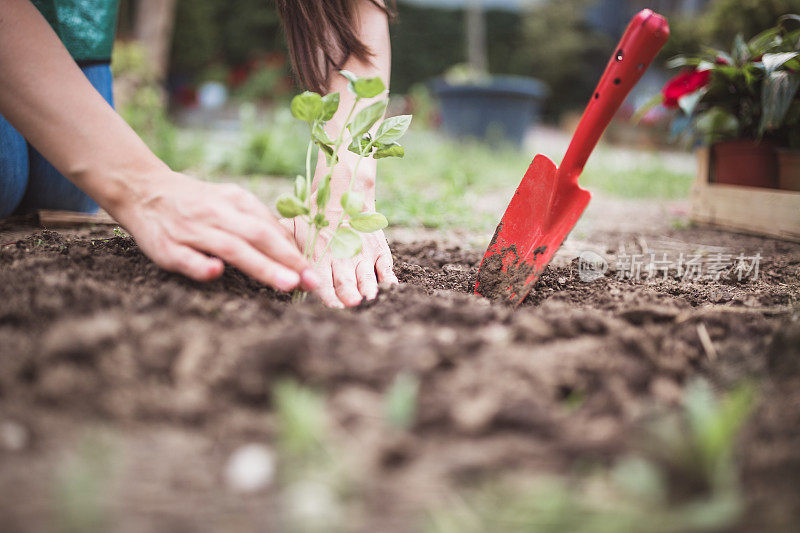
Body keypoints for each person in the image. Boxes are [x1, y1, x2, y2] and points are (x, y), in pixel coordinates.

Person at [0, 0, 398, 308]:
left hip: (73, 23)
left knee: (60, 188)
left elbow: (348, 12)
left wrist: (346, 186)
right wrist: (142, 187)